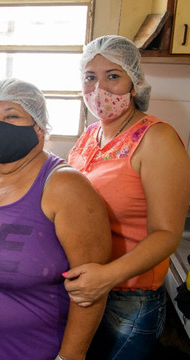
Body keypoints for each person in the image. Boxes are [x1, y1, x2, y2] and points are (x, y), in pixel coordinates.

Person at [0, 78, 112, 360]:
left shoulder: (65, 186)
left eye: (11, 116)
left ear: (39, 128)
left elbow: (91, 292)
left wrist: (69, 358)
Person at [65, 35, 190, 359]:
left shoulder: (156, 139)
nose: (100, 89)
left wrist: (107, 276)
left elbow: (167, 234)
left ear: (134, 84)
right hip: (89, 290)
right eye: (91, 77)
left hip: (128, 299)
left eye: (113, 76)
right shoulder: (91, 135)